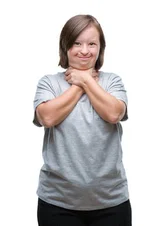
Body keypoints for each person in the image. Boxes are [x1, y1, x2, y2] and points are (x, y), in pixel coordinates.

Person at [33, 14, 131, 226]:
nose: (84, 50)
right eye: (77, 43)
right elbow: (47, 117)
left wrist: (86, 79)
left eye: (91, 44)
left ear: (100, 48)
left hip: (111, 202)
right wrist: (80, 85)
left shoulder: (112, 81)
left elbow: (114, 114)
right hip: (57, 203)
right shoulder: (49, 83)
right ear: (65, 46)